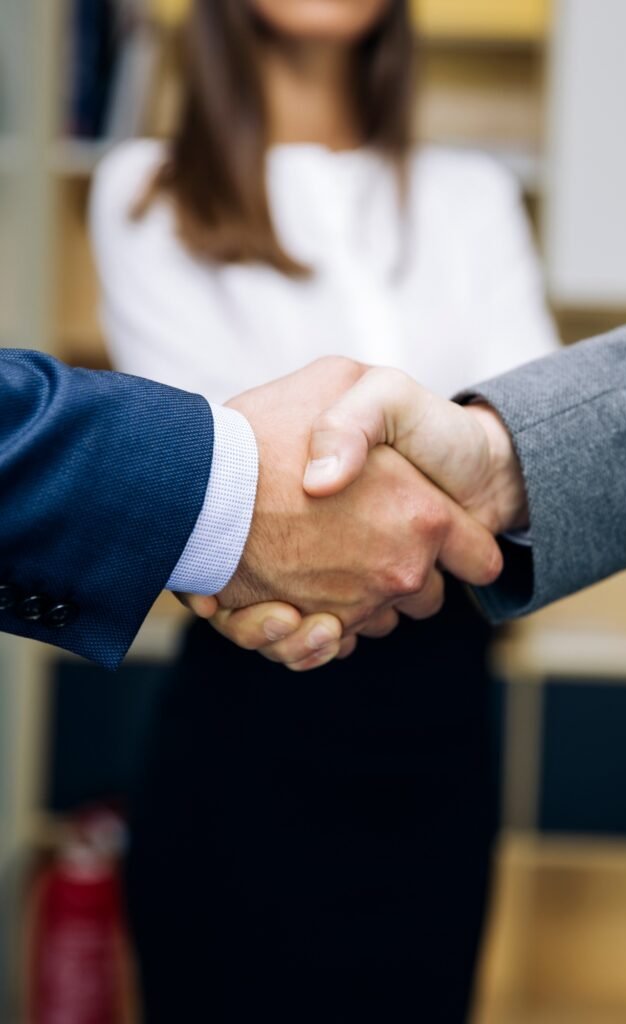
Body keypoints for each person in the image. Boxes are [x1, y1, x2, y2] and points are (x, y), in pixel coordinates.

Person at [90, 0, 558, 1019]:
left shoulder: (470, 194)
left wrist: (463, 466)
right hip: (250, 705)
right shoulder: (146, 189)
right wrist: (453, 453)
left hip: (439, 722)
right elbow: (219, 478)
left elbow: (533, 457)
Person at [220, 309, 626, 668]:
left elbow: (524, 355)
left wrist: (494, 464)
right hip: (252, 628)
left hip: (450, 611)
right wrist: (218, 518)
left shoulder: (476, 190)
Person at [0, 350, 493, 667]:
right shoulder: (156, 190)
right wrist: (229, 493)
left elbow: (516, 364)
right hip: (251, 635)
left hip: (451, 623)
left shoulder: (476, 189)